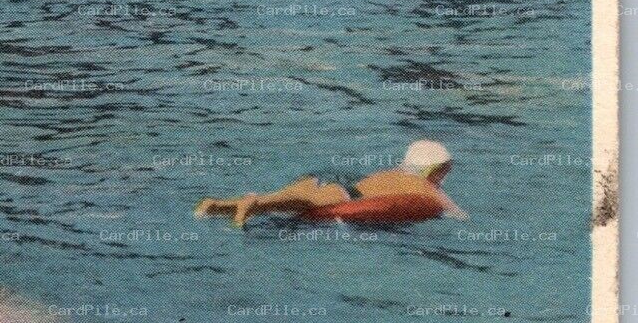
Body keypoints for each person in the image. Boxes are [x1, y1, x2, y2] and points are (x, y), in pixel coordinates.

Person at [194, 140, 466, 229]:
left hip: (334, 179)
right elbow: (454, 213)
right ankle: (252, 203)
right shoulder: (427, 188)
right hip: (345, 192)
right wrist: (461, 216)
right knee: (304, 202)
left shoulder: (392, 172)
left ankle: (217, 205)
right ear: (439, 170)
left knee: (287, 198)